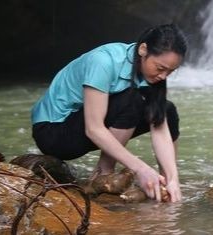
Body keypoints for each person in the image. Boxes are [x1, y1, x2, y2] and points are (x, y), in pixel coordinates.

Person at [31, 23, 187, 202]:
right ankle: (103, 173)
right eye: (160, 68)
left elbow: (159, 128)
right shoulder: (103, 61)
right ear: (143, 49)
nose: (163, 76)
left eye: (170, 71)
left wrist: (174, 179)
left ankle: (164, 184)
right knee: (132, 100)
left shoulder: (153, 76)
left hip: (83, 130)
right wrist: (141, 169)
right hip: (54, 133)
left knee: (167, 110)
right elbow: (94, 129)